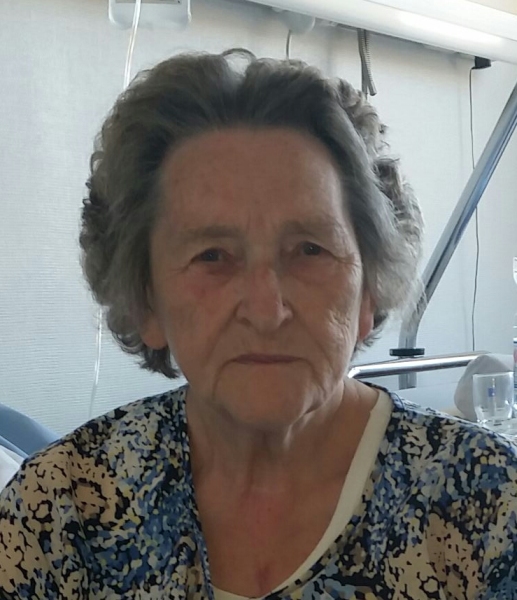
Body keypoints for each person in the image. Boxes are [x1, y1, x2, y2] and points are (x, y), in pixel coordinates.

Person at [0, 49, 516, 600]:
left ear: (369, 289)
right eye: (213, 256)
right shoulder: (61, 512)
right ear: (146, 300)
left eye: (310, 250)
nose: (267, 311)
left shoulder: (489, 503)